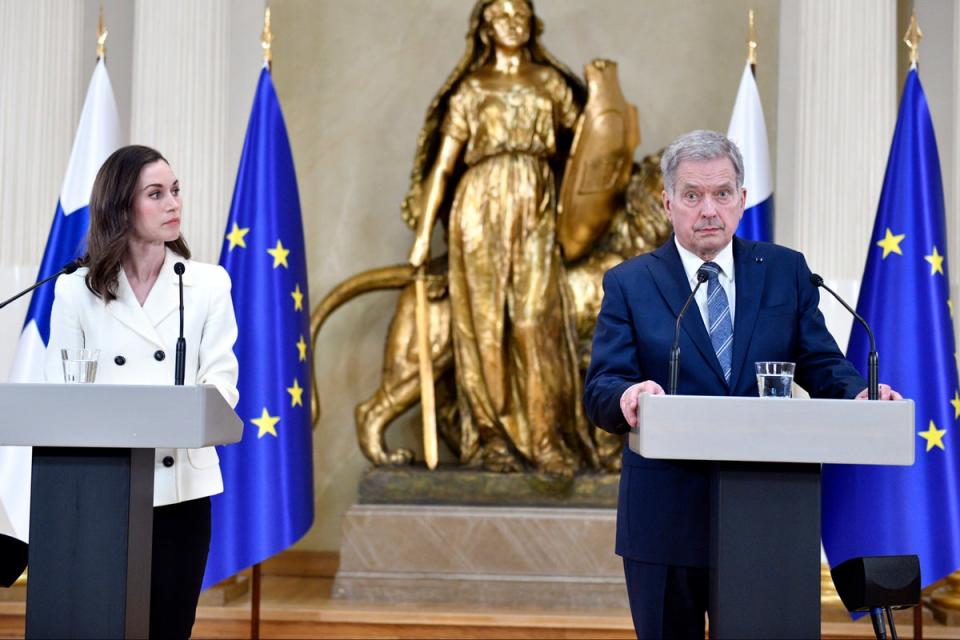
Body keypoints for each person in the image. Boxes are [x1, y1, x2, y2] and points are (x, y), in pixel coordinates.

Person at [582, 129, 902, 639]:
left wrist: (859, 396)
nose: (708, 209)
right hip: (665, 522)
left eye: (722, 193)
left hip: (767, 519)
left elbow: (823, 364)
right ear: (667, 203)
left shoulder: (784, 271)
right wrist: (627, 396)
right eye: (692, 195)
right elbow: (600, 387)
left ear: (742, 199)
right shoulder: (631, 283)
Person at [44, 145, 239, 639]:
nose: (174, 203)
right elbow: (58, 394)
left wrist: (174, 415)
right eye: (156, 194)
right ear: (120, 207)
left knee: (168, 628)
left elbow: (222, 387)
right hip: (100, 493)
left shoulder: (209, 284)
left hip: (180, 493)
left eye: (175, 191)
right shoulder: (75, 290)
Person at [406, 0, 595, 473]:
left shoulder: (549, 83)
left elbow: (591, 145)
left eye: (521, 15)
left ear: (532, 25)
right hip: (478, 206)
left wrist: (605, 98)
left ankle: (547, 437)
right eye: (501, 15)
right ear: (485, 27)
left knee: (536, 320)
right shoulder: (472, 89)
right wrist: (424, 235)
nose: (512, 23)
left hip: (536, 202)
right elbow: (444, 166)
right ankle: (492, 437)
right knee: (483, 325)